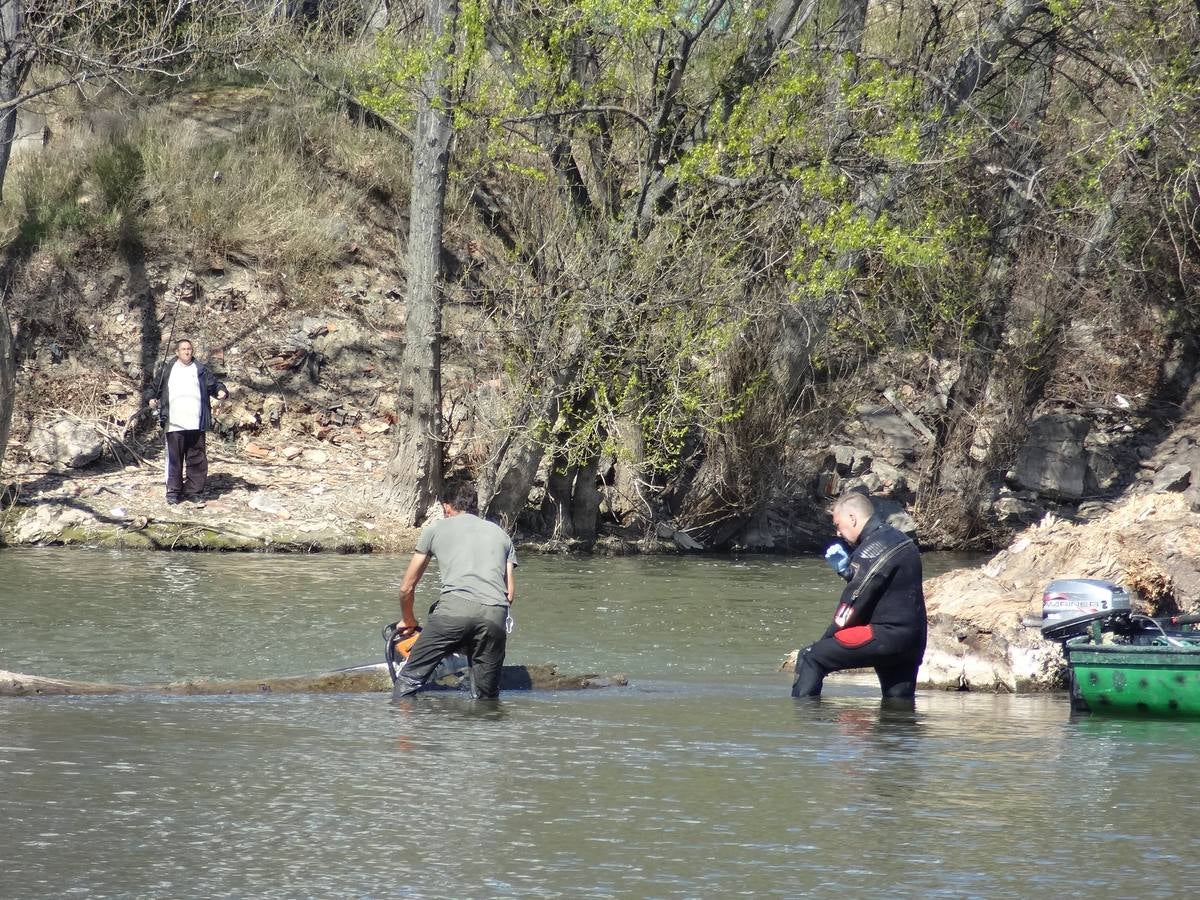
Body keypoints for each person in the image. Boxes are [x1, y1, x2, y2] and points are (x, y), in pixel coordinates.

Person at [791, 492, 926, 699]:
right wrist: (847, 573)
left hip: (885, 636)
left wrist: (824, 642)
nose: (837, 532)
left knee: (811, 657)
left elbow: (853, 601)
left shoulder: (871, 549)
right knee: (898, 709)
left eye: (838, 525)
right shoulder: (901, 540)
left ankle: (807, 729)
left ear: (852, 518)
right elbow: (883, 590)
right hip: (913, 641)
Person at [392, 481, 518, 701]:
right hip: (495, 616)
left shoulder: (434, 530)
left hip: (452, 613)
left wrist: (409, 620)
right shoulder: (501, 535)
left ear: (446, 507)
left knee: (407, 684)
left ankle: (405, 735)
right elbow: (509, 594)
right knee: (486, 699)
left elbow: (406, 587)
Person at [146, 339, 227, 506]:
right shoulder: (167, 369)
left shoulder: (201, 369)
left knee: (197, 457)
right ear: (177, 352)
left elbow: (215, 385)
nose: (187, 352)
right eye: (183, 349)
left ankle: (194, 491)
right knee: (174, 458)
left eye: (189, 349)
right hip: (174, 421)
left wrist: (221, 391)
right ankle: (173, 491)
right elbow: (153, 389)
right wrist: (150, 399)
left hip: (196, 421)